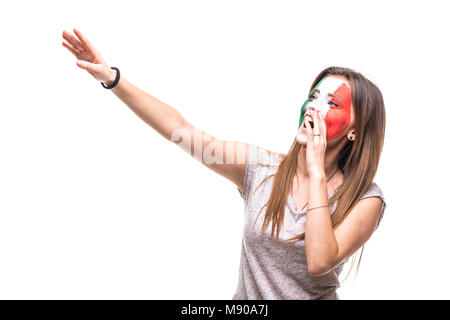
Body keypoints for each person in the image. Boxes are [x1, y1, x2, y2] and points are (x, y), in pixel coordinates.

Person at [61, 28, 386, 300]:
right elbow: (182, 131)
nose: (313, 107)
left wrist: (316, 171)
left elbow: (319, 261)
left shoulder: (366, 199)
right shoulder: (260, 169)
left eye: (331, 102)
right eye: (313, 95)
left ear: (356, 130)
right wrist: (113, 79)